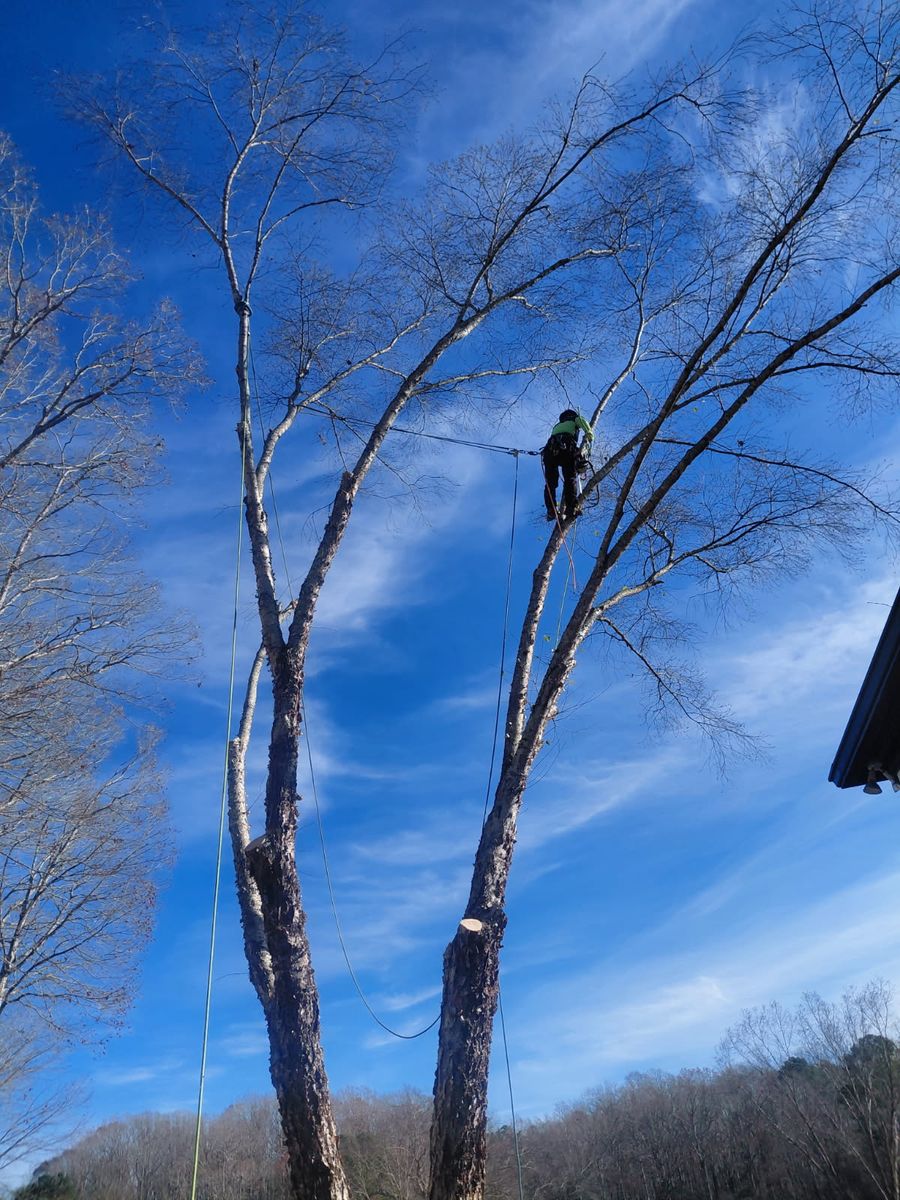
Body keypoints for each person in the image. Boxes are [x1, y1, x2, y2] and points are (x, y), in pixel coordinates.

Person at [542, 408, 593, 521]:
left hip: (550, 451)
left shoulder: (556, 427)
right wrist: (589, 435)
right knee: (570, 478)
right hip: (566, 448)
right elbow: (584, 424)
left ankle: (551, 509)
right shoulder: (574, 419)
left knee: (550, 482)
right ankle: (571, 507)